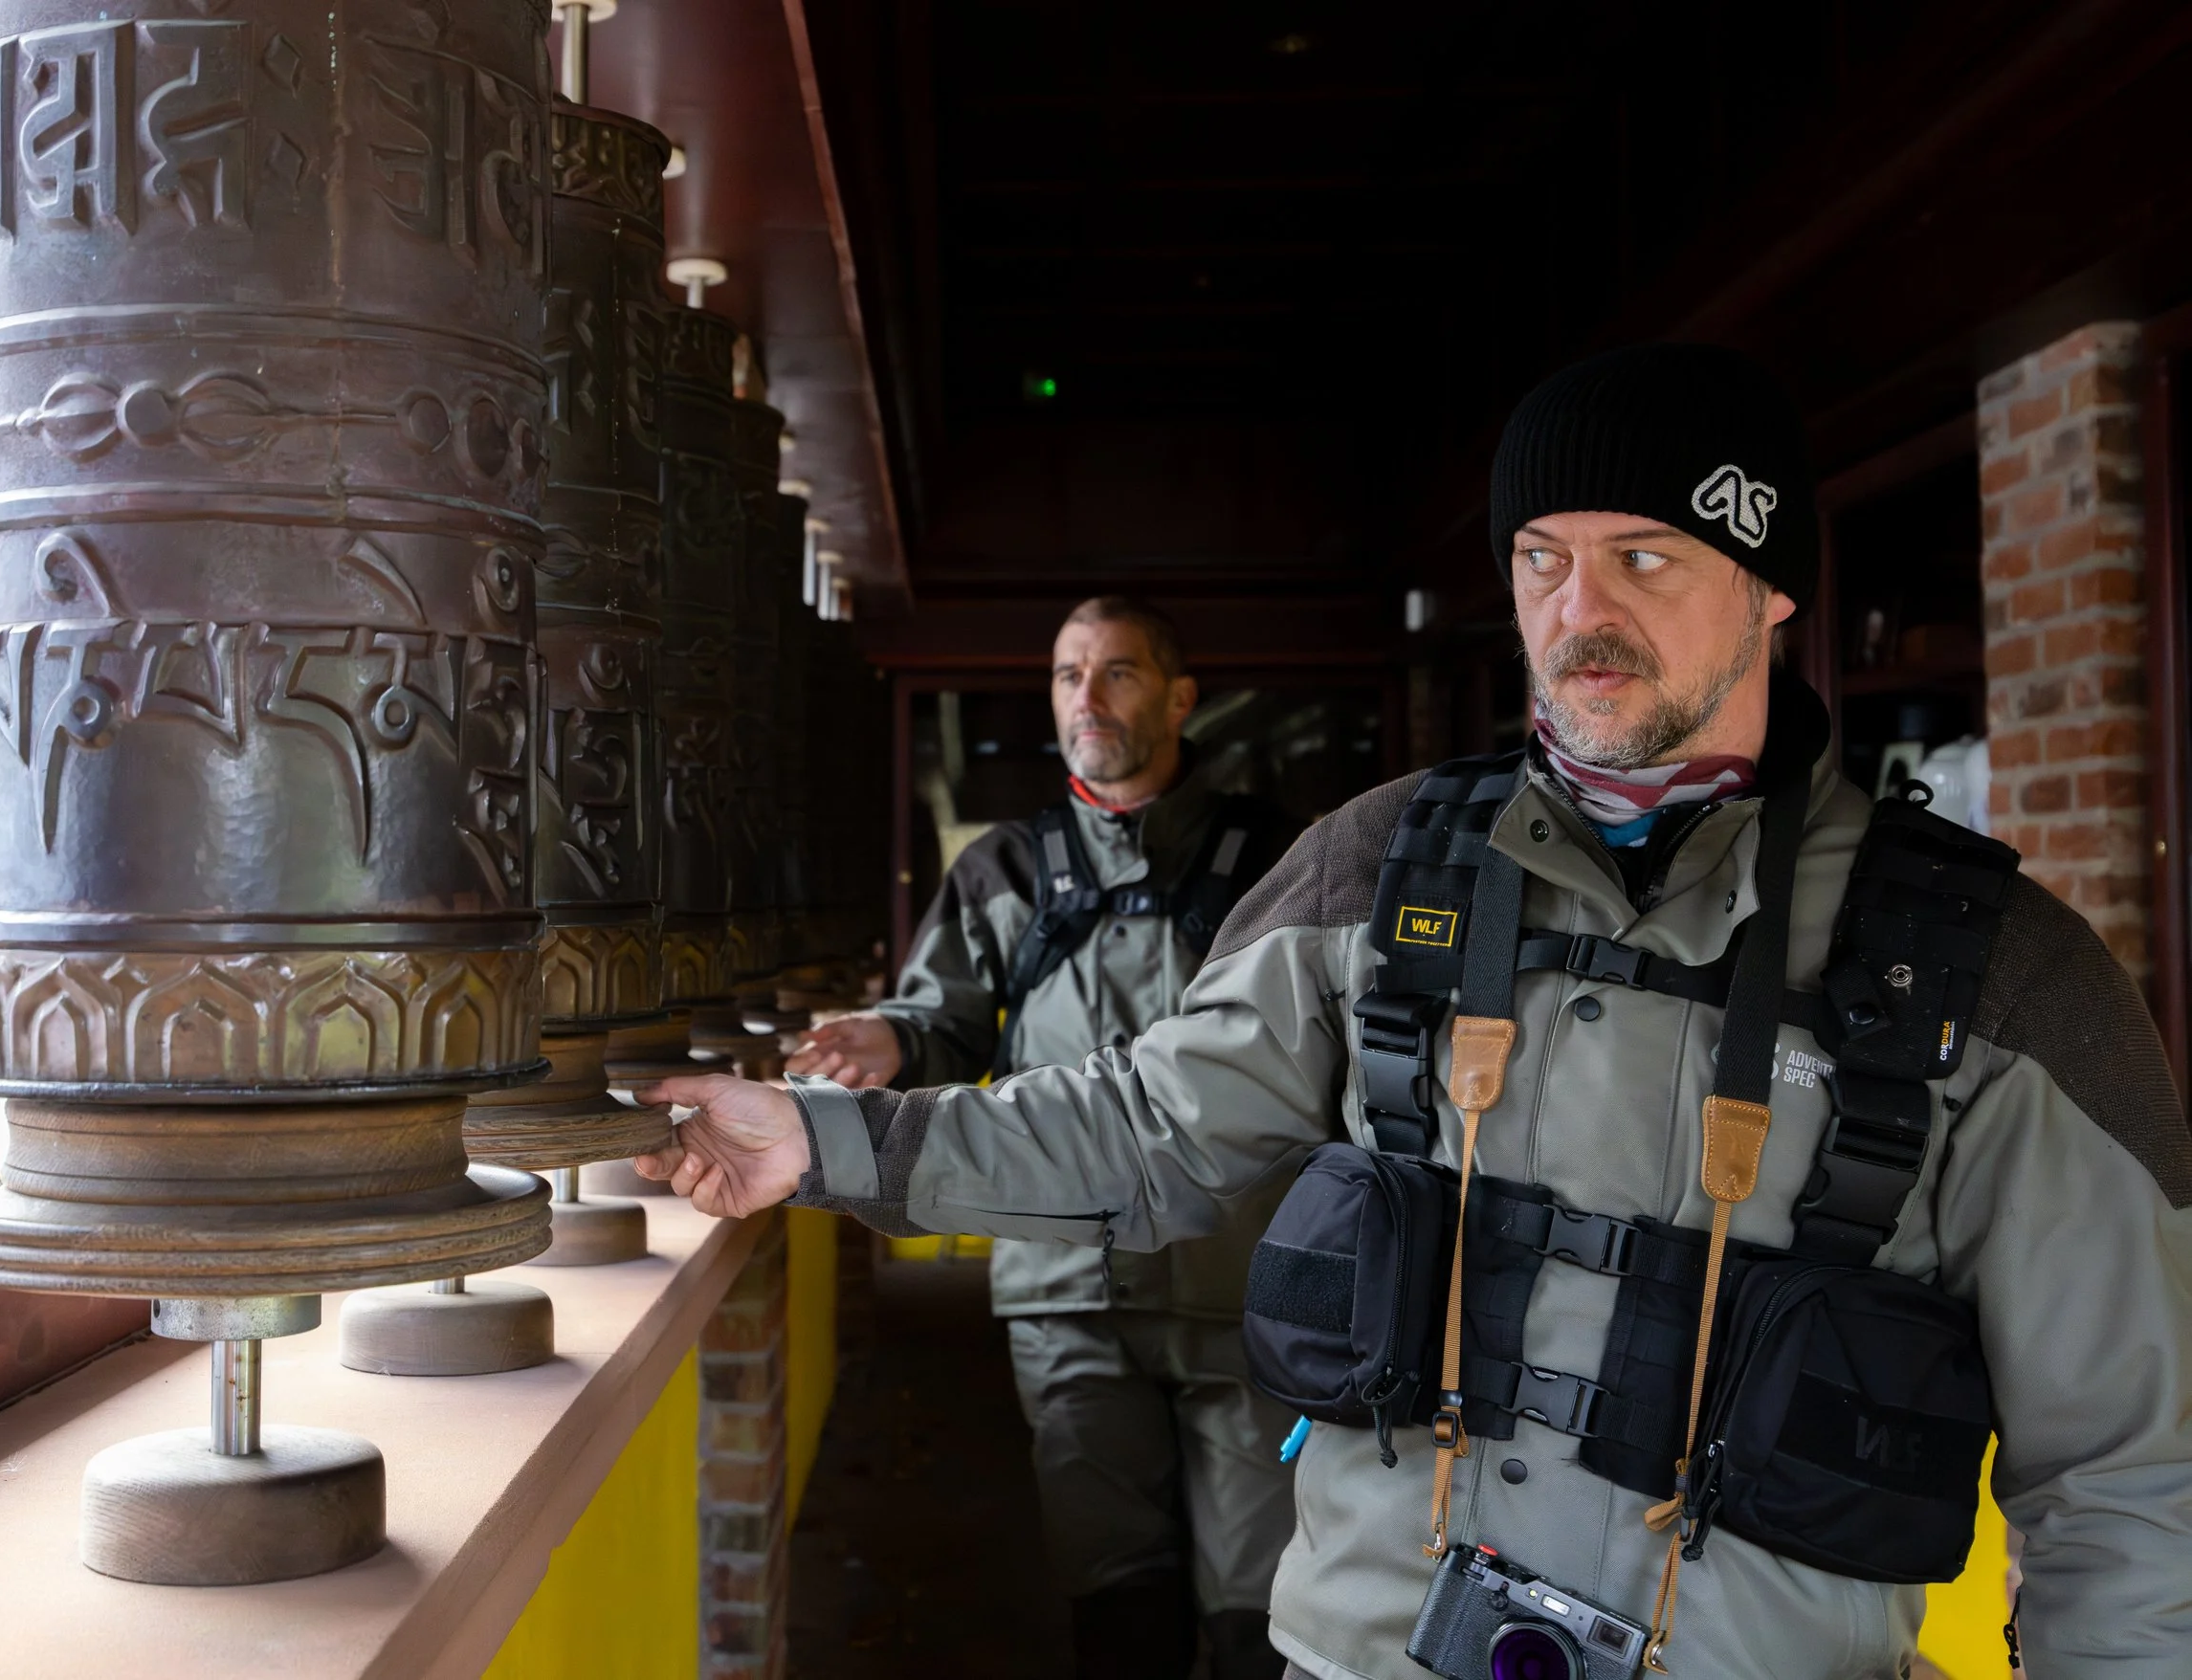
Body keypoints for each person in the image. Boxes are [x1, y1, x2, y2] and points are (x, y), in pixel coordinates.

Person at [640, 345, 2192, 1680]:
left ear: (1773, 582)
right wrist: (819, 1137)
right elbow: (1147, 1125)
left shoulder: (1993, 967)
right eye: (1541, 558)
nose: (1580, 608)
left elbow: (2133, 1481)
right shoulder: (1376, 868)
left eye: (1645, 555)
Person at [786, 596, 1302, 1680]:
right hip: (1065, 1288)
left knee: (1258, 1600)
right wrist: (888, 1034)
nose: (1087, 697)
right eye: (1069, 675)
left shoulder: (1279, 861)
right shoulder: (1006, 868)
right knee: (1113, 1582)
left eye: (1117, 672)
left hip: (1241, 1282)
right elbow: (945, 1021)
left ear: (1178, 696)